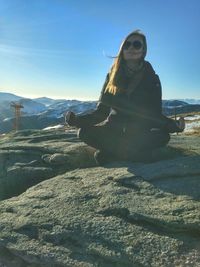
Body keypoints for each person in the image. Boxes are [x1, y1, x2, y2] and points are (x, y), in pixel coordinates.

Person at [65, 30, 185, 165]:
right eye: (127, 45)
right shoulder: (112, 77)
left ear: (143, 50)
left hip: (139, 133)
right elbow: (101, 112)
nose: (131, 48)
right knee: (83, 133)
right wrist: (77, 121)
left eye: (136, 44)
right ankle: (133, 155)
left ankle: (112, 153)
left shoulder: (152, 79)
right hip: (114, 130)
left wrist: (174, 126)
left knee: (163, 137)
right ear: (122, 49)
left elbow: (155, 114)